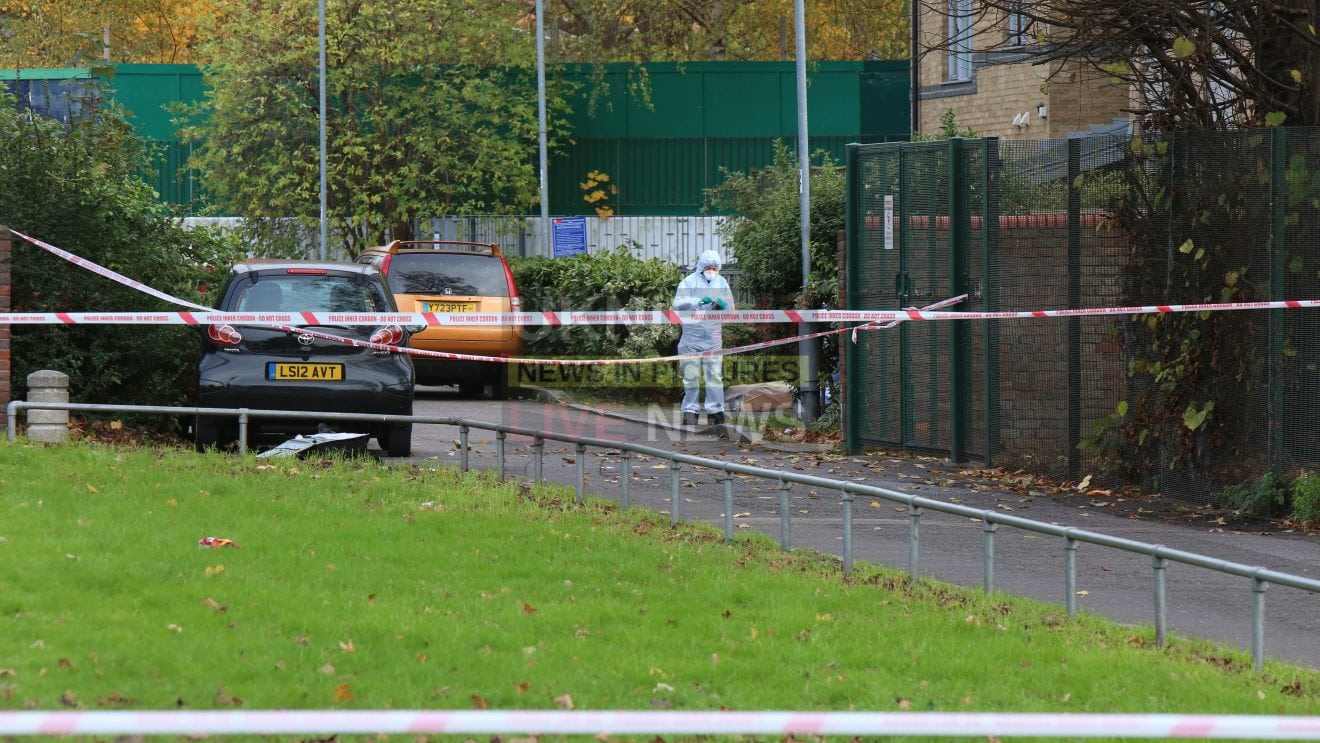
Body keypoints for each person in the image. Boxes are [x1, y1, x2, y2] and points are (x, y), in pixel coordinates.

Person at [671, 250, 736, 426]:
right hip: (691, 337)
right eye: (708, 267)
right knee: (691, 375)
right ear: (701, 267)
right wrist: (696, 302)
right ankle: (690, 411)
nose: (711, 270)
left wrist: (722, 306)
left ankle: (715, 411)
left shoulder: (721, 282)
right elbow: (676, 304)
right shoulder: (688, 282)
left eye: (715, 268)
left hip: (714, 337)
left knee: (714, 375)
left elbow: (731, 310)